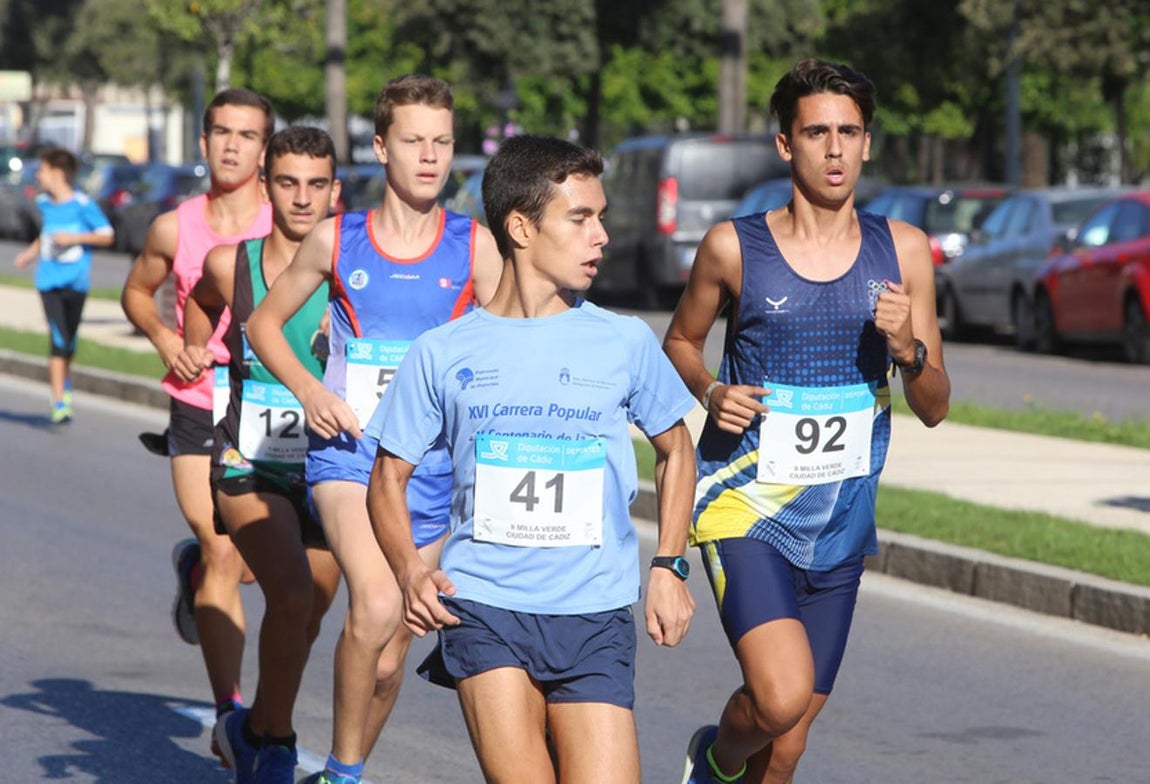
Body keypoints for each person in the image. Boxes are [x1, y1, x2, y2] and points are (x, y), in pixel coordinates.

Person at [367, 134, 698, 784]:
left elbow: (676, 447)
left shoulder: (624, 340)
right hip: (483, 605)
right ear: (521, 227)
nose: (601, 235)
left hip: (594, 612)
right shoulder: (442, 352)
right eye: (580, 218)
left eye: (601, 217)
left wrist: (669, 563)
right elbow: (387, 476)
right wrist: (408, 570)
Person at [664, 58, 951, 784]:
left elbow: (935, 405)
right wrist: (709, 391)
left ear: (868, 143)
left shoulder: (903, 251)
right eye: (817, 132)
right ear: (786, 144)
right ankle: (714, 759)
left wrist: (908, 350)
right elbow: (681, 342)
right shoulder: (734, 247)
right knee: (779, 696)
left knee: (787, 745)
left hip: (840, 521)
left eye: (848, 132)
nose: (834, 149)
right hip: (745, 507)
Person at [245, 74, 502, 784]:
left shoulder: (475, 248)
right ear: (382, 147)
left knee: (388, 659)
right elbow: (262, 324)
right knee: (380, 599)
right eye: (414, 141)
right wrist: (309, 391)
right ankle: (343, 774)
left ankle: (344, 767)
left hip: (434, 473)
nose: (430, 156)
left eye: (442, 142)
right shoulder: (338, 239)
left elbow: (511, 343)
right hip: (348, 459)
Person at [171, 126, 344, 783]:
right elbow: (200, 302)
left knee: (307, 616)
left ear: (334, 191)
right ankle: (276, 746)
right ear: (266, 186)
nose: (302, 198)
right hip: (249, 460)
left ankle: (250, 729)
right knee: (292, 594)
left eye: (316, 184)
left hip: (329, 465)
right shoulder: (230, 263)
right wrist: (196, 348)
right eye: (288, 182)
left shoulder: (351, 272)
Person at [120, 87, 274, 757]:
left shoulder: (291, 219)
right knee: (222, 550)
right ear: (204, 142)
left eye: (248, 134)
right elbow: (136, 291)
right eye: (222, 133)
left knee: (249, 564)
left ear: (265, 149)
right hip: (197, 398)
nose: (233, 146)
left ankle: (193, 573)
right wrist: (164, 338)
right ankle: (228, 714)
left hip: (267, 405)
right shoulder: (174, 227)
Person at [13, 147, 115, 424]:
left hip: (76, 282)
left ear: (58, 173)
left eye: (42, 170)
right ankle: (59, 400)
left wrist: (74, 239)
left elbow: (107, 235)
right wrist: (29, 254)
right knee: (58, 340)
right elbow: (46, 236)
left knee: (69, 342)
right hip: (49, 282)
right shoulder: (44, 204)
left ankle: (63, 383)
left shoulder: (82, 205)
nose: (38, 176)